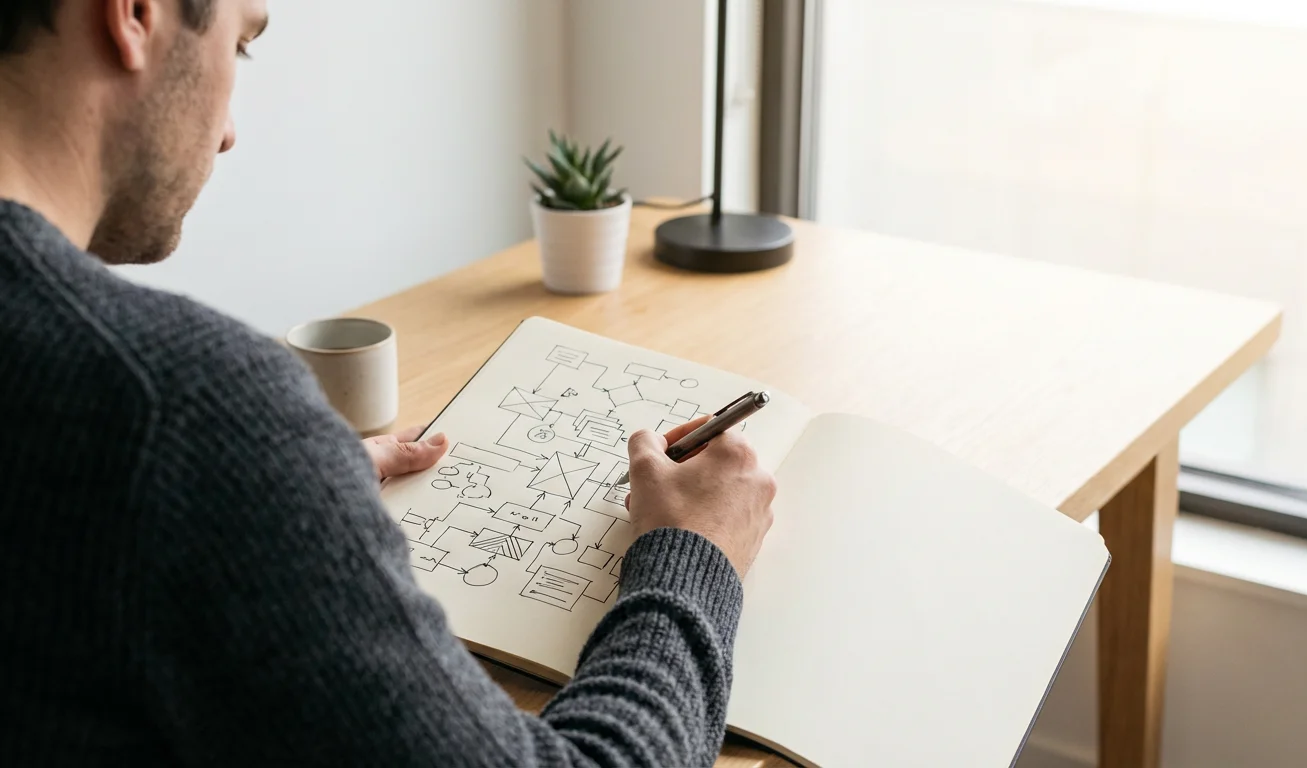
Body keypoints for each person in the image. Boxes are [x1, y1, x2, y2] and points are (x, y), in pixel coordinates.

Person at [0, 1, 777, 765]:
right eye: (241, 45)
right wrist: (695, 550)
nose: (230, 131)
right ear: (133, 13)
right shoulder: (179, 414)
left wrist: (279, 491)